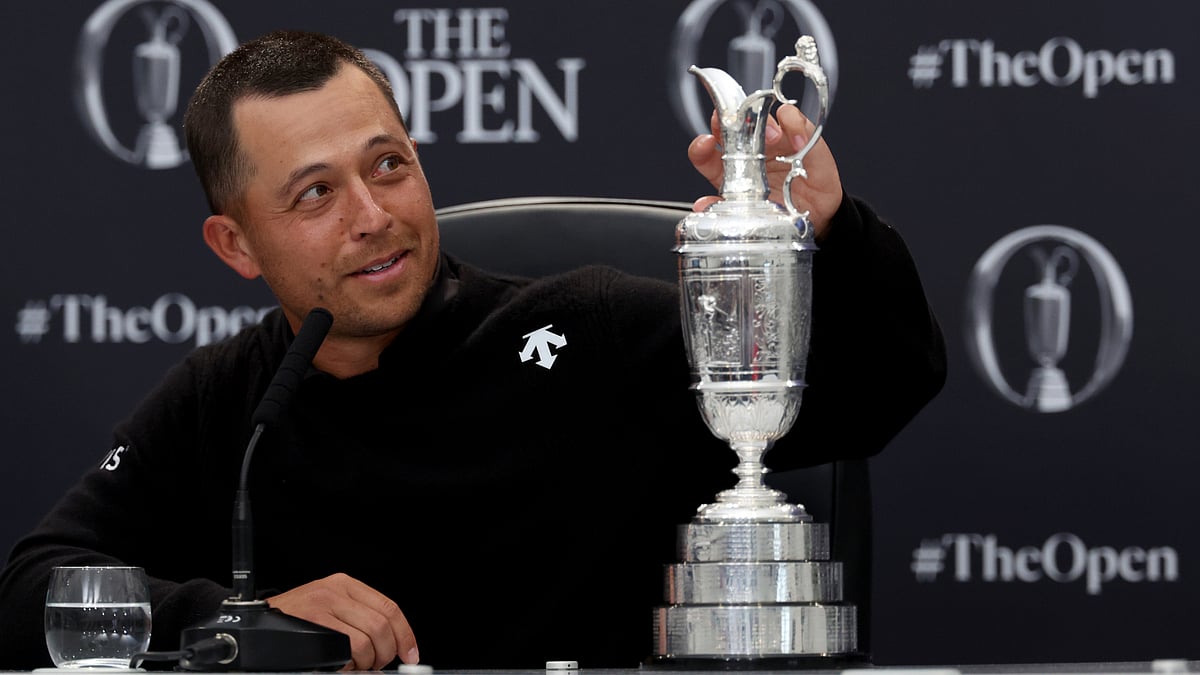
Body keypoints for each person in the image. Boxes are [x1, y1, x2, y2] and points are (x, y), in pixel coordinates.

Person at [0, 29, 945, 671]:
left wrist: (833, 230)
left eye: (388, 165)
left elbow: (880, 386)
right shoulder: (229, 404)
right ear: (236, 245)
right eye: (315, 195)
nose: (375, 218)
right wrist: (237, 618)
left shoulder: (589, 330)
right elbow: (32, 583)